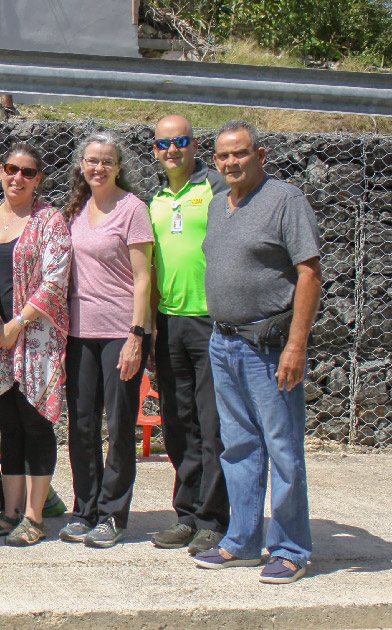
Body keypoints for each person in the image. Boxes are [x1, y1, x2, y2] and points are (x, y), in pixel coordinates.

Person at [192, 121, 321, 585]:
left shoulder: (285, 200)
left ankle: (290, 549)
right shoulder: (218, 204)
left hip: (268, 348)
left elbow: (309, 273)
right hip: (223, 343)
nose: (231, 162)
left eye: (240, 154)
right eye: (223, 156)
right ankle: (243, 541)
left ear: (260, 154)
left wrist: (296, 345)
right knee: (239, 446)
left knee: (282, 448)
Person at [0, 143, 71, 547]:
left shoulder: (50, 220)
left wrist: (17, 323)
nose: (18, 177)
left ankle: (34, 514)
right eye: (12, 169)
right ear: (0, 172)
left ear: (39, 180)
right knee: (8, 425)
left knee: (35, 424)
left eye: (28, 172)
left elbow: (55, 278)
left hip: (36, 337)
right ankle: (9, 512)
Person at [59, 131, 153, 549]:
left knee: (117, 424)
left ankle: (112, 514)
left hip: (120, 332)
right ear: (82, 165)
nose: (98, 168)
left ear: (119, 167)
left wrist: (137, 334)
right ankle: (84, 508)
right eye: (92, 160)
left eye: (107, 161)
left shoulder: (132, 209)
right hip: (79, 333)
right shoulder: (74, 210)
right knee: (80, 424)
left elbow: (143, 277)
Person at [147, 115, 232, 555]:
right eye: (164, 144)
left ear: (194, 145)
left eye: (180, 141)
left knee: (211, 424)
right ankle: (187, 515)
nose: (172, 150)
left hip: (212, 322)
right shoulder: (157, 198)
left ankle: (214, 519)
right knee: (178, 424)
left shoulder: (216, 189)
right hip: (169, 322)